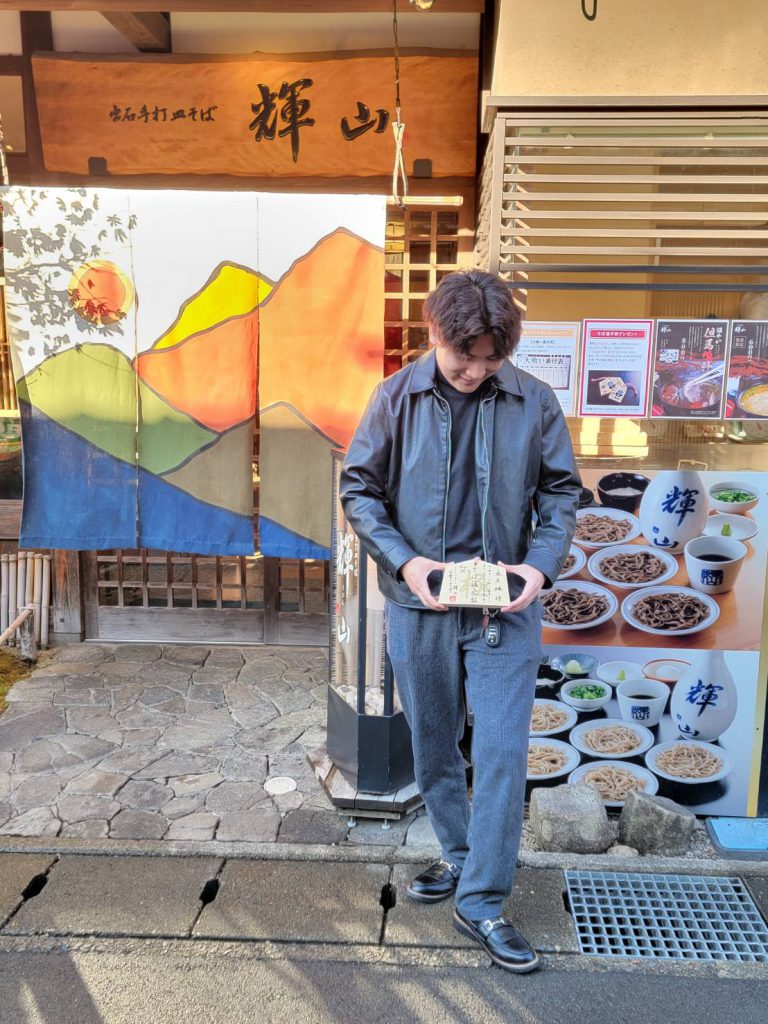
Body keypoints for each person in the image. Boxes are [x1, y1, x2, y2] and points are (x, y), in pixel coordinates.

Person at [340, 270, 581, 973]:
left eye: (491, 360)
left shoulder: (534, 401)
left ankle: (482, 900)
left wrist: (539, 568)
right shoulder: (395, 397)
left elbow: (561, 493)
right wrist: (404, 562)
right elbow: (359, 488)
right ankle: (458, 853)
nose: (476, 372)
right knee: (435, 744)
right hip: (421, 602)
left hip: (505, 605)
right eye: (463, 358)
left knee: (502, 749)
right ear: (434, 332)